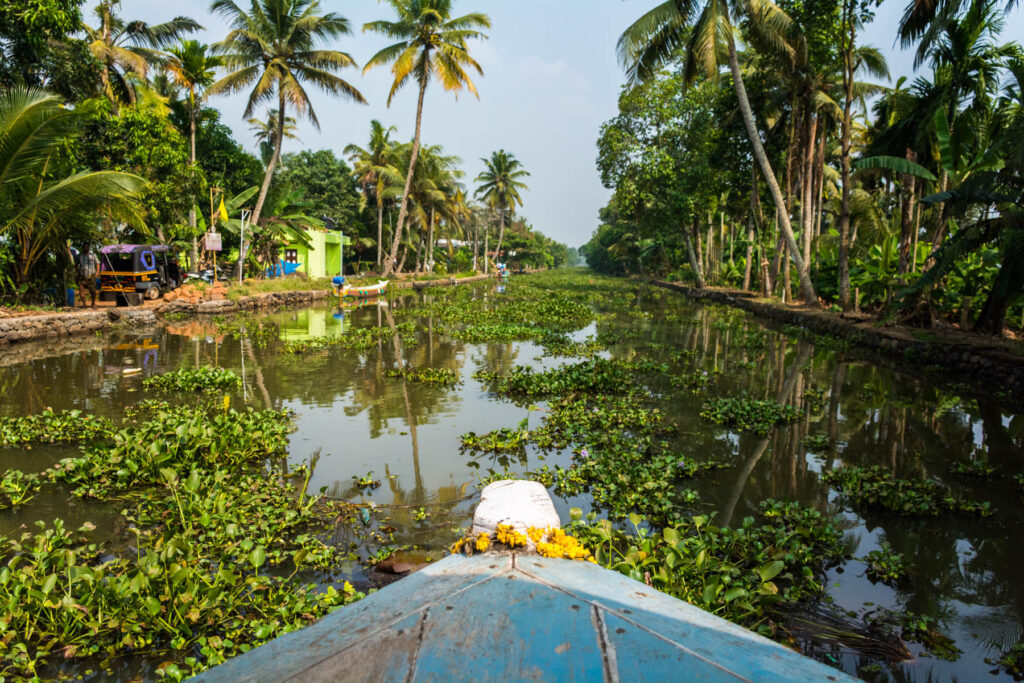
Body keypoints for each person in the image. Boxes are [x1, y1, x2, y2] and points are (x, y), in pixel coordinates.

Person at [76, 243, 101, 308]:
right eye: (85, 247)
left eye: (87, 247)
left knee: (92, 290)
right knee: (81, 288)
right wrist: (77, 273)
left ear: (89, 248)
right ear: (82, 248)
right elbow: (76, 265)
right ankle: (84, 304)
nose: (86, 248)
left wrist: (97, 272)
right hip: (82, 275)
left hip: (91, 275)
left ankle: (93, 303)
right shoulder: (79, 256)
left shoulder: (93, 255)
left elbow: (98, 263)